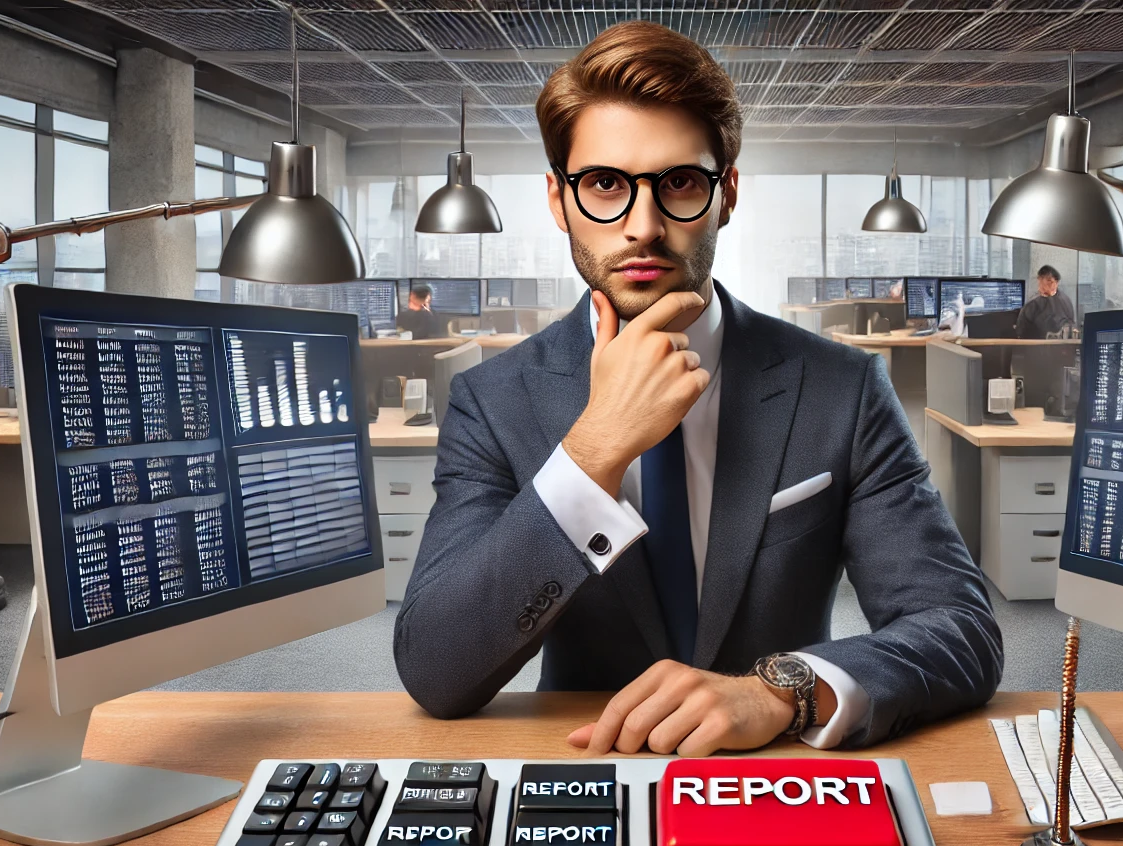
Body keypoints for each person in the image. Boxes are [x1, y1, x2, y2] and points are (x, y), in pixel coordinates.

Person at [393, 21, 1001, 756]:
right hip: (586, 769)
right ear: (558, 201)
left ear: (727, 194)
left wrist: (783, 689)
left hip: (779, 773)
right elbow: (435, 666)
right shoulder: (494, 400)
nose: (642, 227)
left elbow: (960, 627)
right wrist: (594, 450)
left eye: (679, 182)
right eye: (605, 185)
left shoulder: (842, 388)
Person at [1016, 265, 1075, 339]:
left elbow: (1071, 325)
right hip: (1036, 347)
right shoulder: (1032, 305)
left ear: (1056, 283)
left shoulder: (1065, 301)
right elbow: (1021, 333)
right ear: (1039, 280)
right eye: (1047, 281)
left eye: (1051, 281)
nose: (1049, 285)